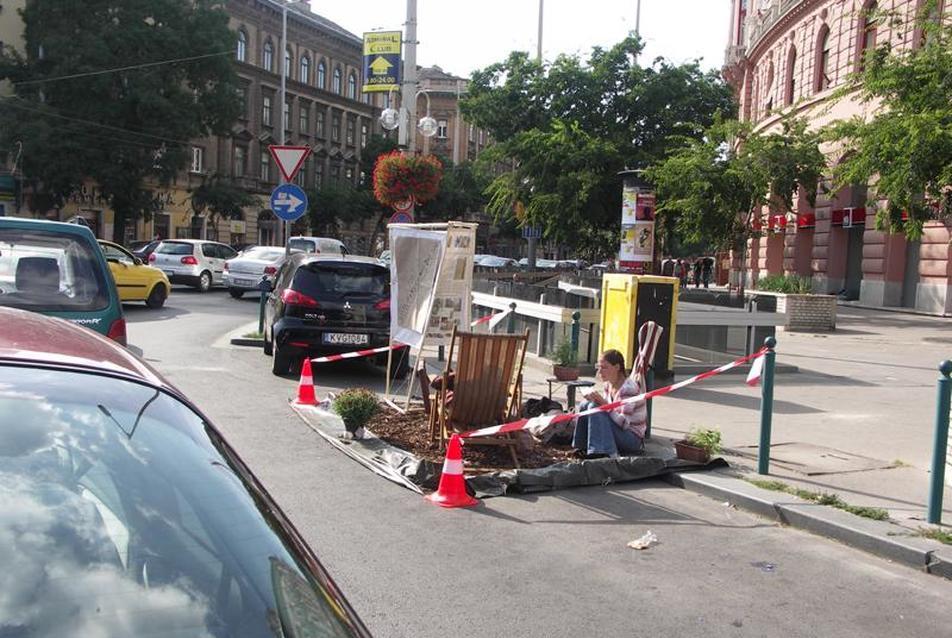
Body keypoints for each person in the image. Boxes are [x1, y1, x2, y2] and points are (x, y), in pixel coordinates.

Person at [571, 349, 646, 459]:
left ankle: (602, 453)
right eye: (599, 367)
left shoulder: (628, 389)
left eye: (604, 368)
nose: (600, 372)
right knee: (585, 404)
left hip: (632, 438)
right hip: (619, 430)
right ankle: (581, 447)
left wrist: (605, 405)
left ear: (617, 367)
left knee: (595, 409)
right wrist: (595, 400)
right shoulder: (608, 384)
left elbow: (625, 424)